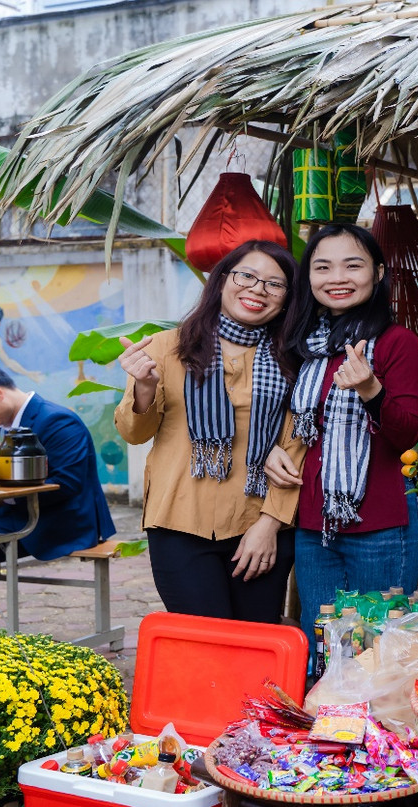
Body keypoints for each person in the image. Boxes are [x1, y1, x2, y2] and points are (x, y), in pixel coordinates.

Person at [264, 224, 418, 654]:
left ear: (377, 273)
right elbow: (285, 423)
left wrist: (371, 390)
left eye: (352, 265)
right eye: (323, 267)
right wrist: (271, 449)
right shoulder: (304, 347)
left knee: (376, 643)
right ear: (309, 279)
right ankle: (330, 721)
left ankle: (373, 723)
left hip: (381, 523)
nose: (337, 277)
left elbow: (408, 432)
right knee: (321, 641)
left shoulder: (398, 344)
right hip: (313, 523)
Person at [115, 240, 300, 623]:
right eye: (246, 276)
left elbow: (296, 448)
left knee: (255, 642)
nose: (257, 289)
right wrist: (145, 387)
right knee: (204, 642)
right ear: (221, 282)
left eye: (274, 284)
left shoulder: (292, 359)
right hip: (178, 522)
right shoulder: (167, 348)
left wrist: (270, 524)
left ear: (287, 299)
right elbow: (135, 433)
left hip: (258, 523)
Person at [0, 363, 115, 563]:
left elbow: (67, 483)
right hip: (16, 512)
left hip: (57, 522)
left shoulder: (58, 421)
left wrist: (6, 498)